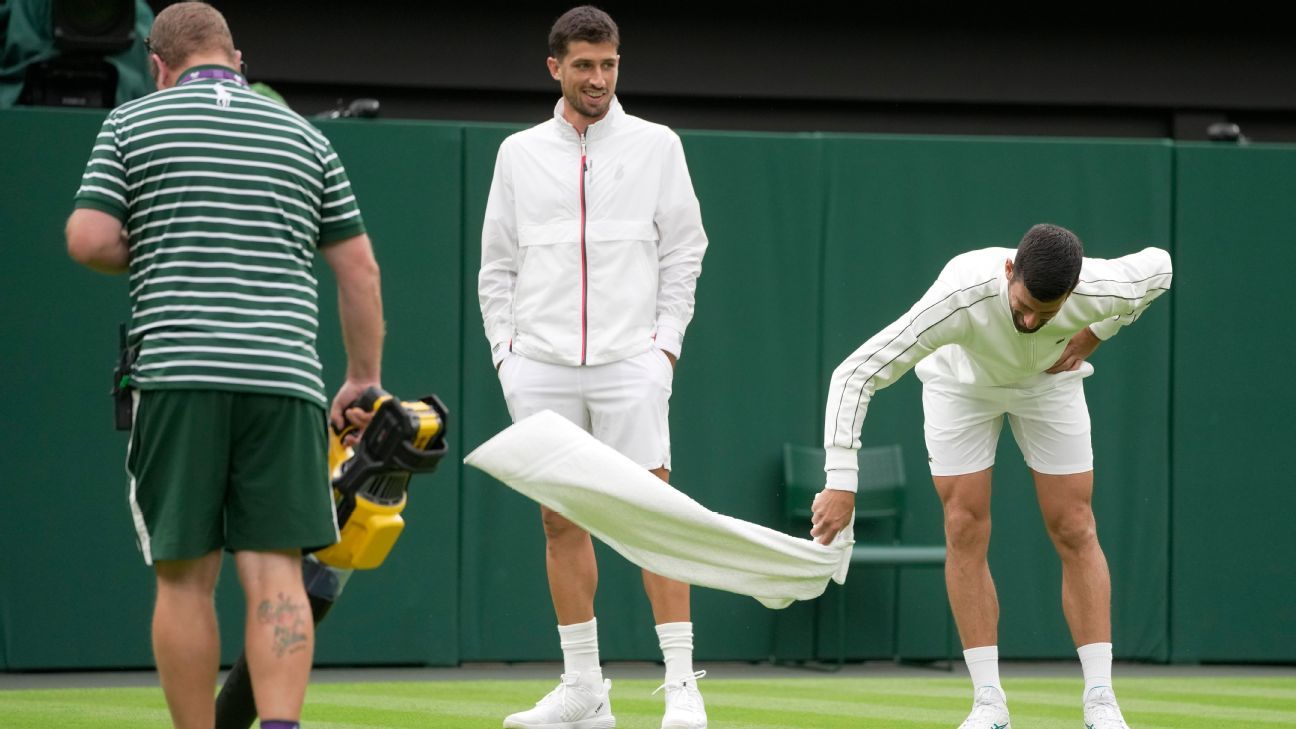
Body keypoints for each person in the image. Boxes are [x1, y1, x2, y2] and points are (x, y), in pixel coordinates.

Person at [64, 4, 384, 729]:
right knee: (275, 570)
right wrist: (362, 378)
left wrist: (154, 245)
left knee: (185, 579)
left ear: (158, 66)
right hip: (284, 381)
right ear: (237, 57)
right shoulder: (305, 137)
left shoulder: (132, 123)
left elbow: (87, 237)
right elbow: (359, 270)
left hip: (178, 376)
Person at [811, 224, 1171, 729]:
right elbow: (856, 373)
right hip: (961, 388)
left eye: (1045, 314)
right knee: (963, 525)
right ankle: (988, 704)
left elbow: (1160, 268)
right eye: (1022, 305)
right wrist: (841, 479)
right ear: (1009, 271)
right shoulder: (959, 297)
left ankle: (1101, 701)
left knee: (1075, 525)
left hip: (1048, 385)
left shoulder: (1098, 287)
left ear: (1072, 292)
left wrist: (1097, 331)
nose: (1028, 320)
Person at [478, 6, 709, 728]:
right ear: (556, 68)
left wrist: (662, 351)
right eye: (584, 65)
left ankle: (680, 685)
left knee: (653, 516)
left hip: (629, 363)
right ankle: (584, 687)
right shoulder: (518, 154)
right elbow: (497, 267)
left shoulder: (658, 145)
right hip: (539, 364)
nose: (599, 78)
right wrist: (507, 360)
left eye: (609, 64)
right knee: (559, 522)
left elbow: (684, 251)